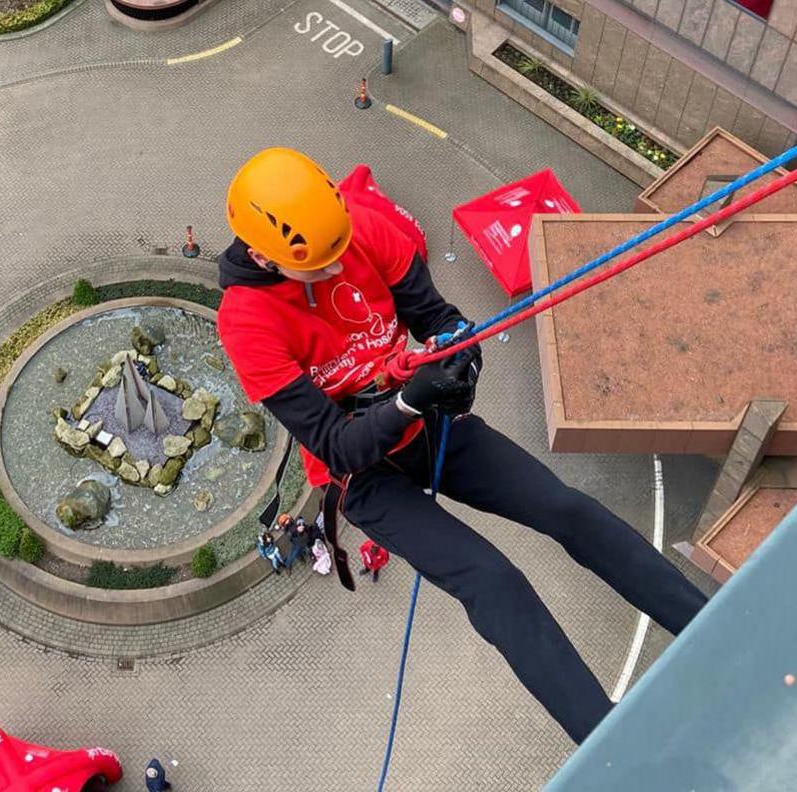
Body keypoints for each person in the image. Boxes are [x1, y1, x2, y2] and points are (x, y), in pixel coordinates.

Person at [215, 147, 708, 744]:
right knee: (492, 580)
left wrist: (461, 359)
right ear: (263, 255)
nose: (338, 268)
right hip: (367, 476)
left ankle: (706, 623)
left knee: (566, 509)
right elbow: (334, 445)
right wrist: (407, 401)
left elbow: (437, 318)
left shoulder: (359, 229)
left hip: (426, 422)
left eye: (340, 252)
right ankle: (611, 747)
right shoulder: (247, 324)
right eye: (320, 268)